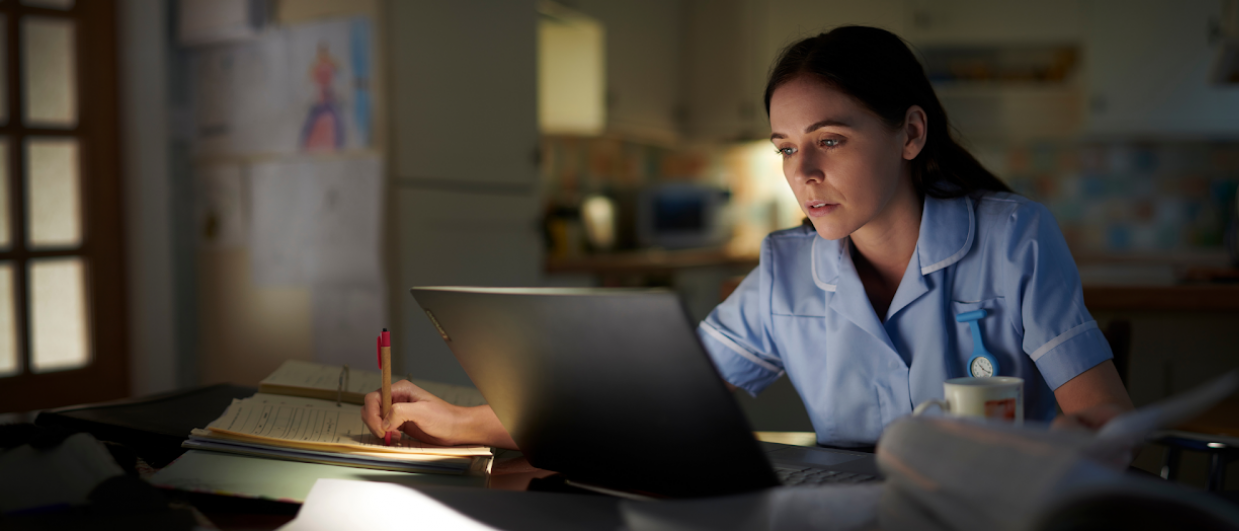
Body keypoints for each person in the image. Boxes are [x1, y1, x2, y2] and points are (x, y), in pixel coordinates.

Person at [362, 26, 1132, 450]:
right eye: (787, 147)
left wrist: (1055, 457)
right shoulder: (786, 273)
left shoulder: (1015, 239)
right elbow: (646, 398)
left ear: (910, 133)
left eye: (829, 139)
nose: (803, 171)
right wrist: (469, 421)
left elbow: (1105, 422)